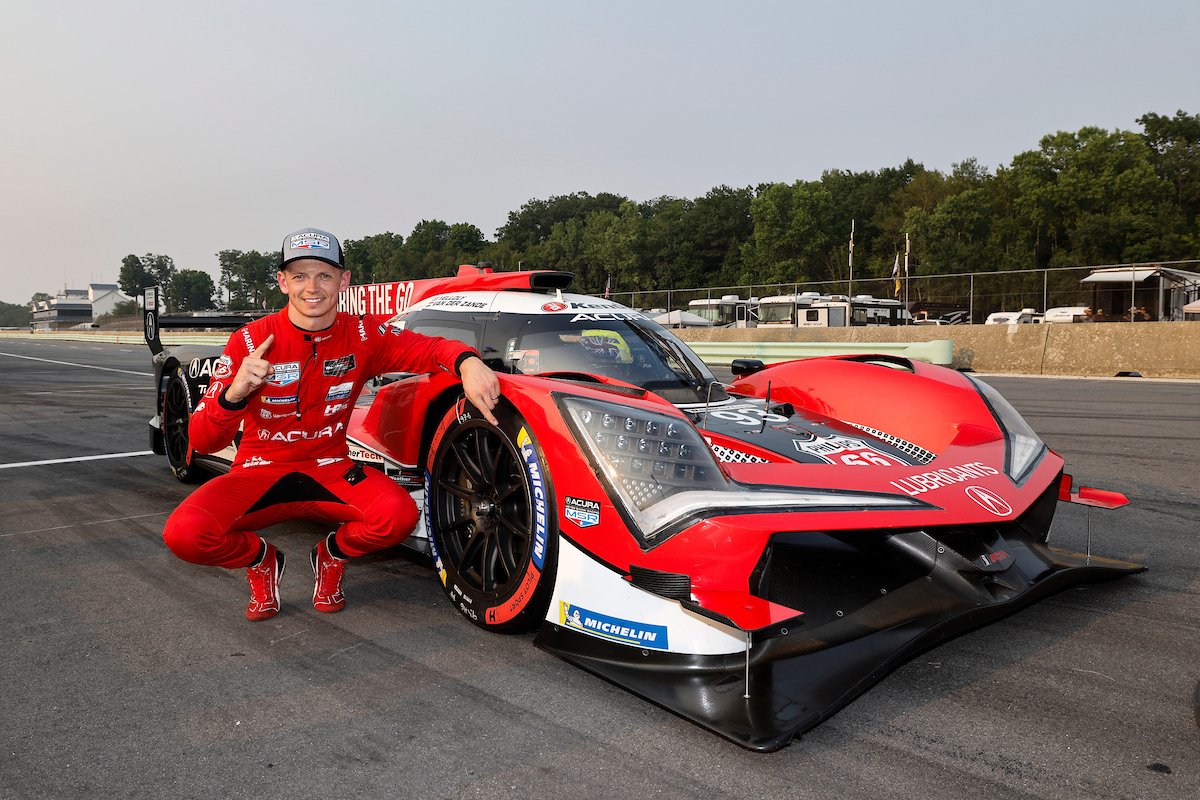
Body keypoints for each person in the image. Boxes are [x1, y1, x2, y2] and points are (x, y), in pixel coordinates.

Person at [162, 227, 501, 621]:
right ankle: (261, 561)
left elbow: (431, 347)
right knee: (184, 534)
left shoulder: (363, 333)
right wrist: (233, 395)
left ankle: (330, 556)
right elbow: (202, 440)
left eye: (324, 275)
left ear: (344, 280)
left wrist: (468, 361)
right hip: (258, 472)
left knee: (398, 516)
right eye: (300, 275)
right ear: (283, 282)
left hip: (330, 468)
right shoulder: (249, 340)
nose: (313, 287)